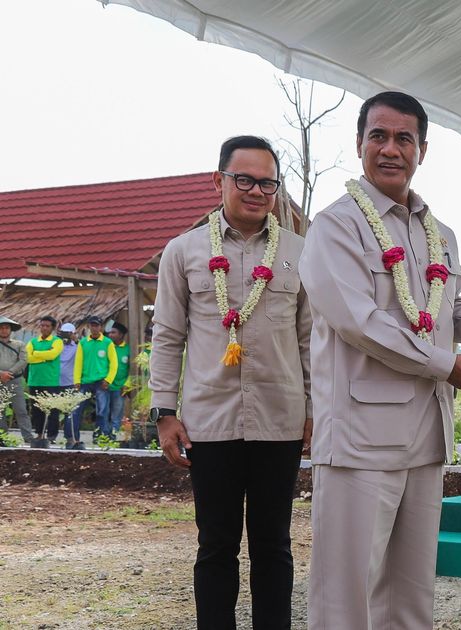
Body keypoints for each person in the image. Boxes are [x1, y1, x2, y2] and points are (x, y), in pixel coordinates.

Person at [299, 91, 461, 629]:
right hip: (360, 441)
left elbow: (440, 316)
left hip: (425, 437)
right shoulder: (334, 226)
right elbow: (363, 325)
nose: (390, 149)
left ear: (422, 150)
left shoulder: (439, 234)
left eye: (404, 139)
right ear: (358, 144)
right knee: (345, 599)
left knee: (411, 597)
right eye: (379, 136)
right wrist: (449, 367)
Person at [149, 135, 312, 629]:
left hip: (279, 422)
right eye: (244, 179)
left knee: (274, 547)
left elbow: (310, 341)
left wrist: (313, 410)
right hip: (209, 423)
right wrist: (164, 412)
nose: (256, 191)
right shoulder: (184, 251)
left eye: (267, 182)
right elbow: (168, 333)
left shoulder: (301, 253)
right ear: (218, 180)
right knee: (215, 545)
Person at [73, 315, 116, 443]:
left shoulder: (107, 342)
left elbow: (114, 363)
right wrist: (77, 380)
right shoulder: (83, 343)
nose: (94, 328)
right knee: (77, 411)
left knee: (102, 411)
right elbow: (78, 363)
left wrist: (108, 380)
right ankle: (74, 438)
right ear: (89, 327)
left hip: (101, 381)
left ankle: (100, 437)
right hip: (85, 381)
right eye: (92, 325)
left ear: (101, 327)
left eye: (96, 325)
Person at [25, 315, 64, 445]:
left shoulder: (57, 341)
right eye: (42, 325)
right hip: (34, 380)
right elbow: (28, 358)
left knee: (52, 410)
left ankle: (51, 436)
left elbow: (53, 355)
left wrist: (36, 354)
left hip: (50, 381)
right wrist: (44, 356)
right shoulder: (32, 342)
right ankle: (39, 434)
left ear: (52, 328)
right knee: (36, 410)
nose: (44, 328)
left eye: (47, 326)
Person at [0, 314, 33, 444]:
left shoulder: (19, 344)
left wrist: (8, 373)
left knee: (21, 410)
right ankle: (2, 437)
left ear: (10, 329)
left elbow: (24, 360)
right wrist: (1, 374)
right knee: (0, 410)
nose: (4, 330)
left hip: (15, 380)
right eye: (1, 328)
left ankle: (28, 437)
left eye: (6, 328)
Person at [57, 322, 83, 449]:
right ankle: (50, 436)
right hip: (55, 383)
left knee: (70, 413)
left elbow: (84, 349)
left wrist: (76, 340)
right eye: (64, 333)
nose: (66, 336)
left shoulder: (78, 346)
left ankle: (70, 438)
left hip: (71, 383)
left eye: (69, 333)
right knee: (52, 412)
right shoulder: (56, 345)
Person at [104, 323, 131, 440]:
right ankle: (104, 434)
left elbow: (132, 369)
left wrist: (127, 384)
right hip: (104, 386)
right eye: (110, 332)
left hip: (120, 387)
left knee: (116, 414)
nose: (110, 335)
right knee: (103, 412)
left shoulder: (128, 349)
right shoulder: (107, 347)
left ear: (121, 335)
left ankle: (113, 435)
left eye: (113, 332)